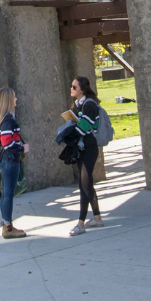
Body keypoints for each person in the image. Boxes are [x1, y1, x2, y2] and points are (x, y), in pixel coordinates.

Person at [56, 76, 105, 236]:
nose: (71, 89)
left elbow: (83, 128)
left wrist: (67, 132)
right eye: (71, 86)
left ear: (82, 90)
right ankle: (96, 218)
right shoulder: (78, 105)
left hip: (89, 148)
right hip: (81, 147)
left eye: (74, 87)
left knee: (85, 182)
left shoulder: (89, 105)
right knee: (85, 183)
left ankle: (81, 223)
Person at [0, 88, 28, 239]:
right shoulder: (7, 120)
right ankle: (8, 228)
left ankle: (7, 224)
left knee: (6, 193)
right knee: (8, 194)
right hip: (10, 160)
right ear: (8, 100)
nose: (16, 99)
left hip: (5, 160)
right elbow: (7, 143)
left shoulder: (1, 118)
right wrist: (22, 148)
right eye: (14, 97)